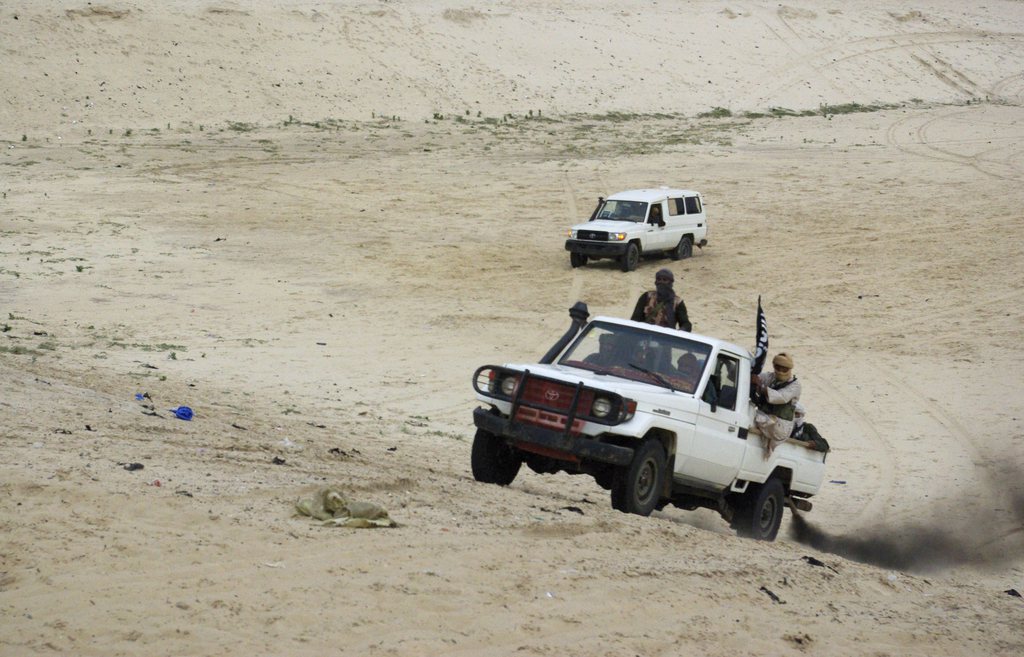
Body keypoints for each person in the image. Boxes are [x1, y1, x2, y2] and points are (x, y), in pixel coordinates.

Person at [751, 352, 802, 458]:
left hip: (779, 426)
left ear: (789, 369)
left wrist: (761, 386)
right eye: (778, 367)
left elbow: (780, 397)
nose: (780, 371)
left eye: (784, 369)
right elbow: (756, 378)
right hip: (766, 419)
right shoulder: (770, 377)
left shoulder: (795, 386)